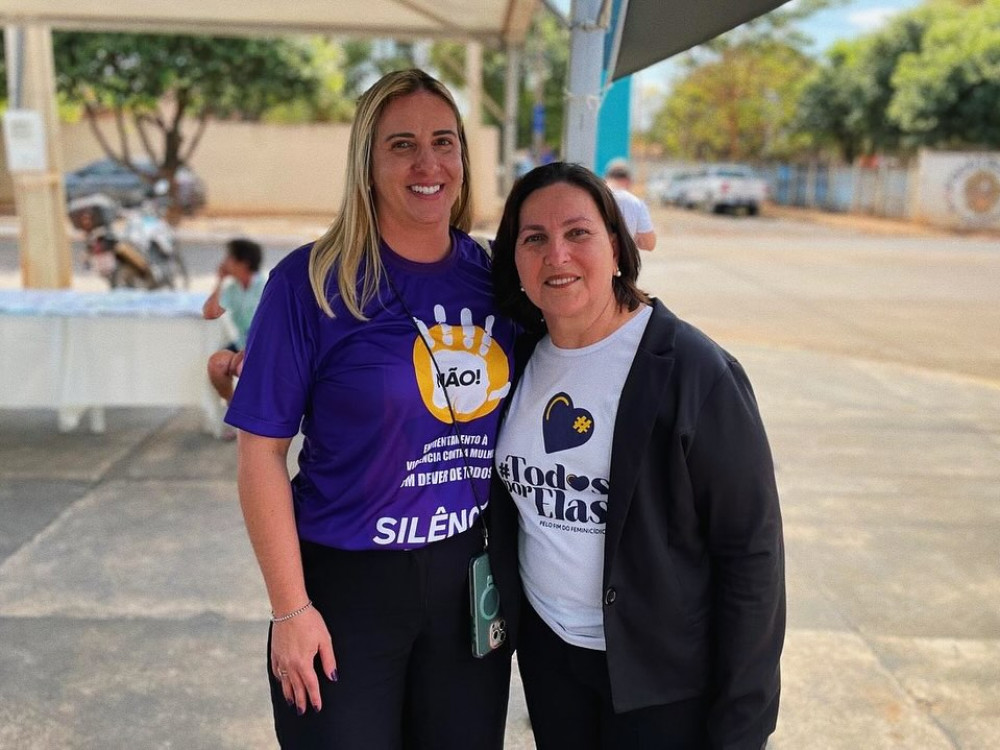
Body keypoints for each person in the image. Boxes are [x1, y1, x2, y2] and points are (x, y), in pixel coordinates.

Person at [224, 69, 516, 749]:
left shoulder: (497, 280)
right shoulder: (309, 283)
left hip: (467, 581)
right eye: (401, 145)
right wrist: (289, 608)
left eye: (444, 142)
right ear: (367, 162)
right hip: (344, 586)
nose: (427, 164)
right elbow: (260, 451)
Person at [488, 162, 785, 750]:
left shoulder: (694, 371)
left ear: (617, 248)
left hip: (660, 677)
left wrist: (743, 721)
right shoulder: (515, 358)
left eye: (578, 233)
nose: (557, 255)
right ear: (514, 261)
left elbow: (751, 553)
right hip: (550, 659)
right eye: (534, 238)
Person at [203, 237, 265, 405]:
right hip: (241, 345)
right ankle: (233, 405)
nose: (225, 262)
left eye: (229, 257)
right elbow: (210, 313)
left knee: (247, 368)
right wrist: (219, 281)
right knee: (216, 365)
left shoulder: (266, 286)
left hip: (262, 348)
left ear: (243, 263)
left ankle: (252, 410)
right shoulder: (232, 289)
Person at [604, 159, 657, 251]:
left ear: (607, 178)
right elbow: (649, 244)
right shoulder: (635, 203)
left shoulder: (591, 195)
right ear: (628, 180)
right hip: (619, 258)